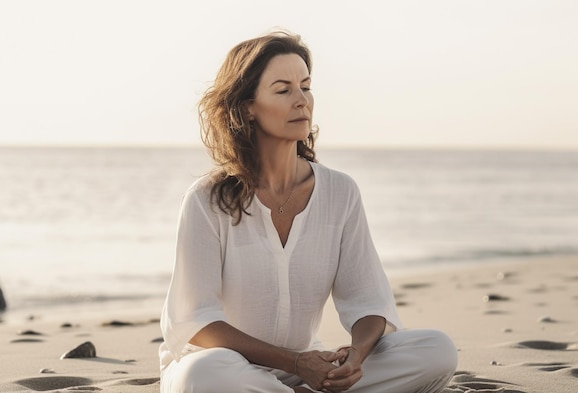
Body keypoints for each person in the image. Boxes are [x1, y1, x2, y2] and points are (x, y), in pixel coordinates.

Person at [160, 31, 457, 393]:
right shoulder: (207, 200)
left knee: (435, 349)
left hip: (306, 369)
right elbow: (197, 322)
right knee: (202, 375)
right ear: (248, 106)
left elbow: (370, 301)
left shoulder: (340, 192)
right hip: (225, 368)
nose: (302, 101)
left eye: (306, 86)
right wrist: (295, 362)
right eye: (283, 90)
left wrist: (355, 358)